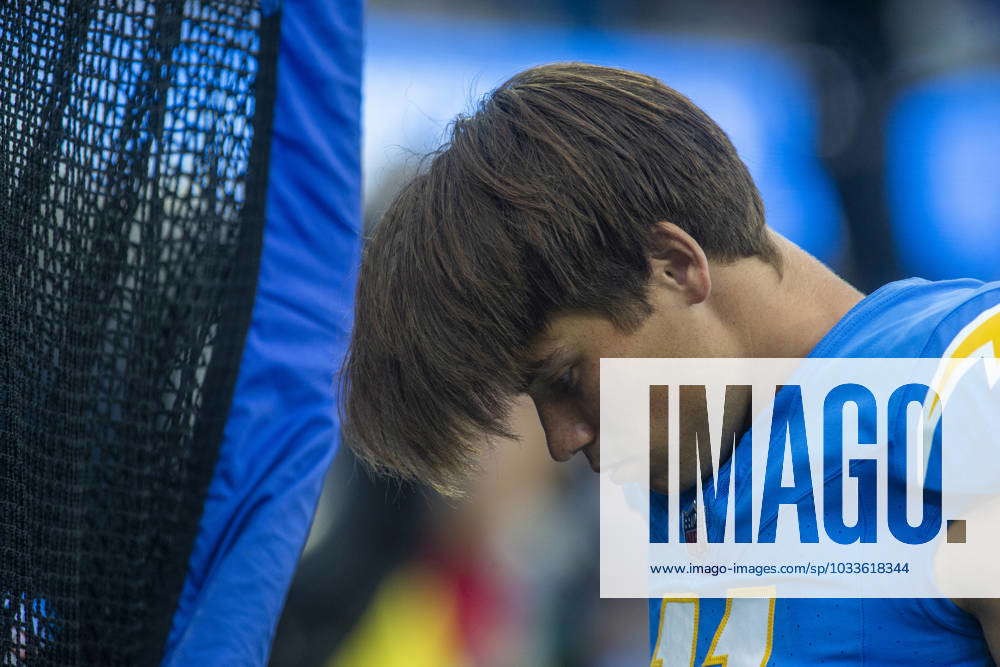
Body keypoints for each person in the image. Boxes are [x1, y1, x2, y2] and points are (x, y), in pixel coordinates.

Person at [341, 62, 1000, 664]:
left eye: (567, 379)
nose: (565, 438)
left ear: (674, 266)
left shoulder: (966, 384)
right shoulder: (694, 470)